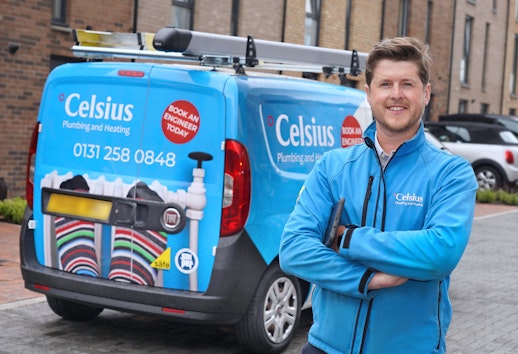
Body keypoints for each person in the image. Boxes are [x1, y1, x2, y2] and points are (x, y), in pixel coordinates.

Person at [279, 37, 478, 354]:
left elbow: (441, 251)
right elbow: (294, 250)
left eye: (407, 84)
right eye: (385, 84)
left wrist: (347, 240)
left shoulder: (450, 174)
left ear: (425, 94)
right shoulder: (333, 168)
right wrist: (366, 279)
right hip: (325, 347)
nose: (396, 94)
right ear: (369, 94)